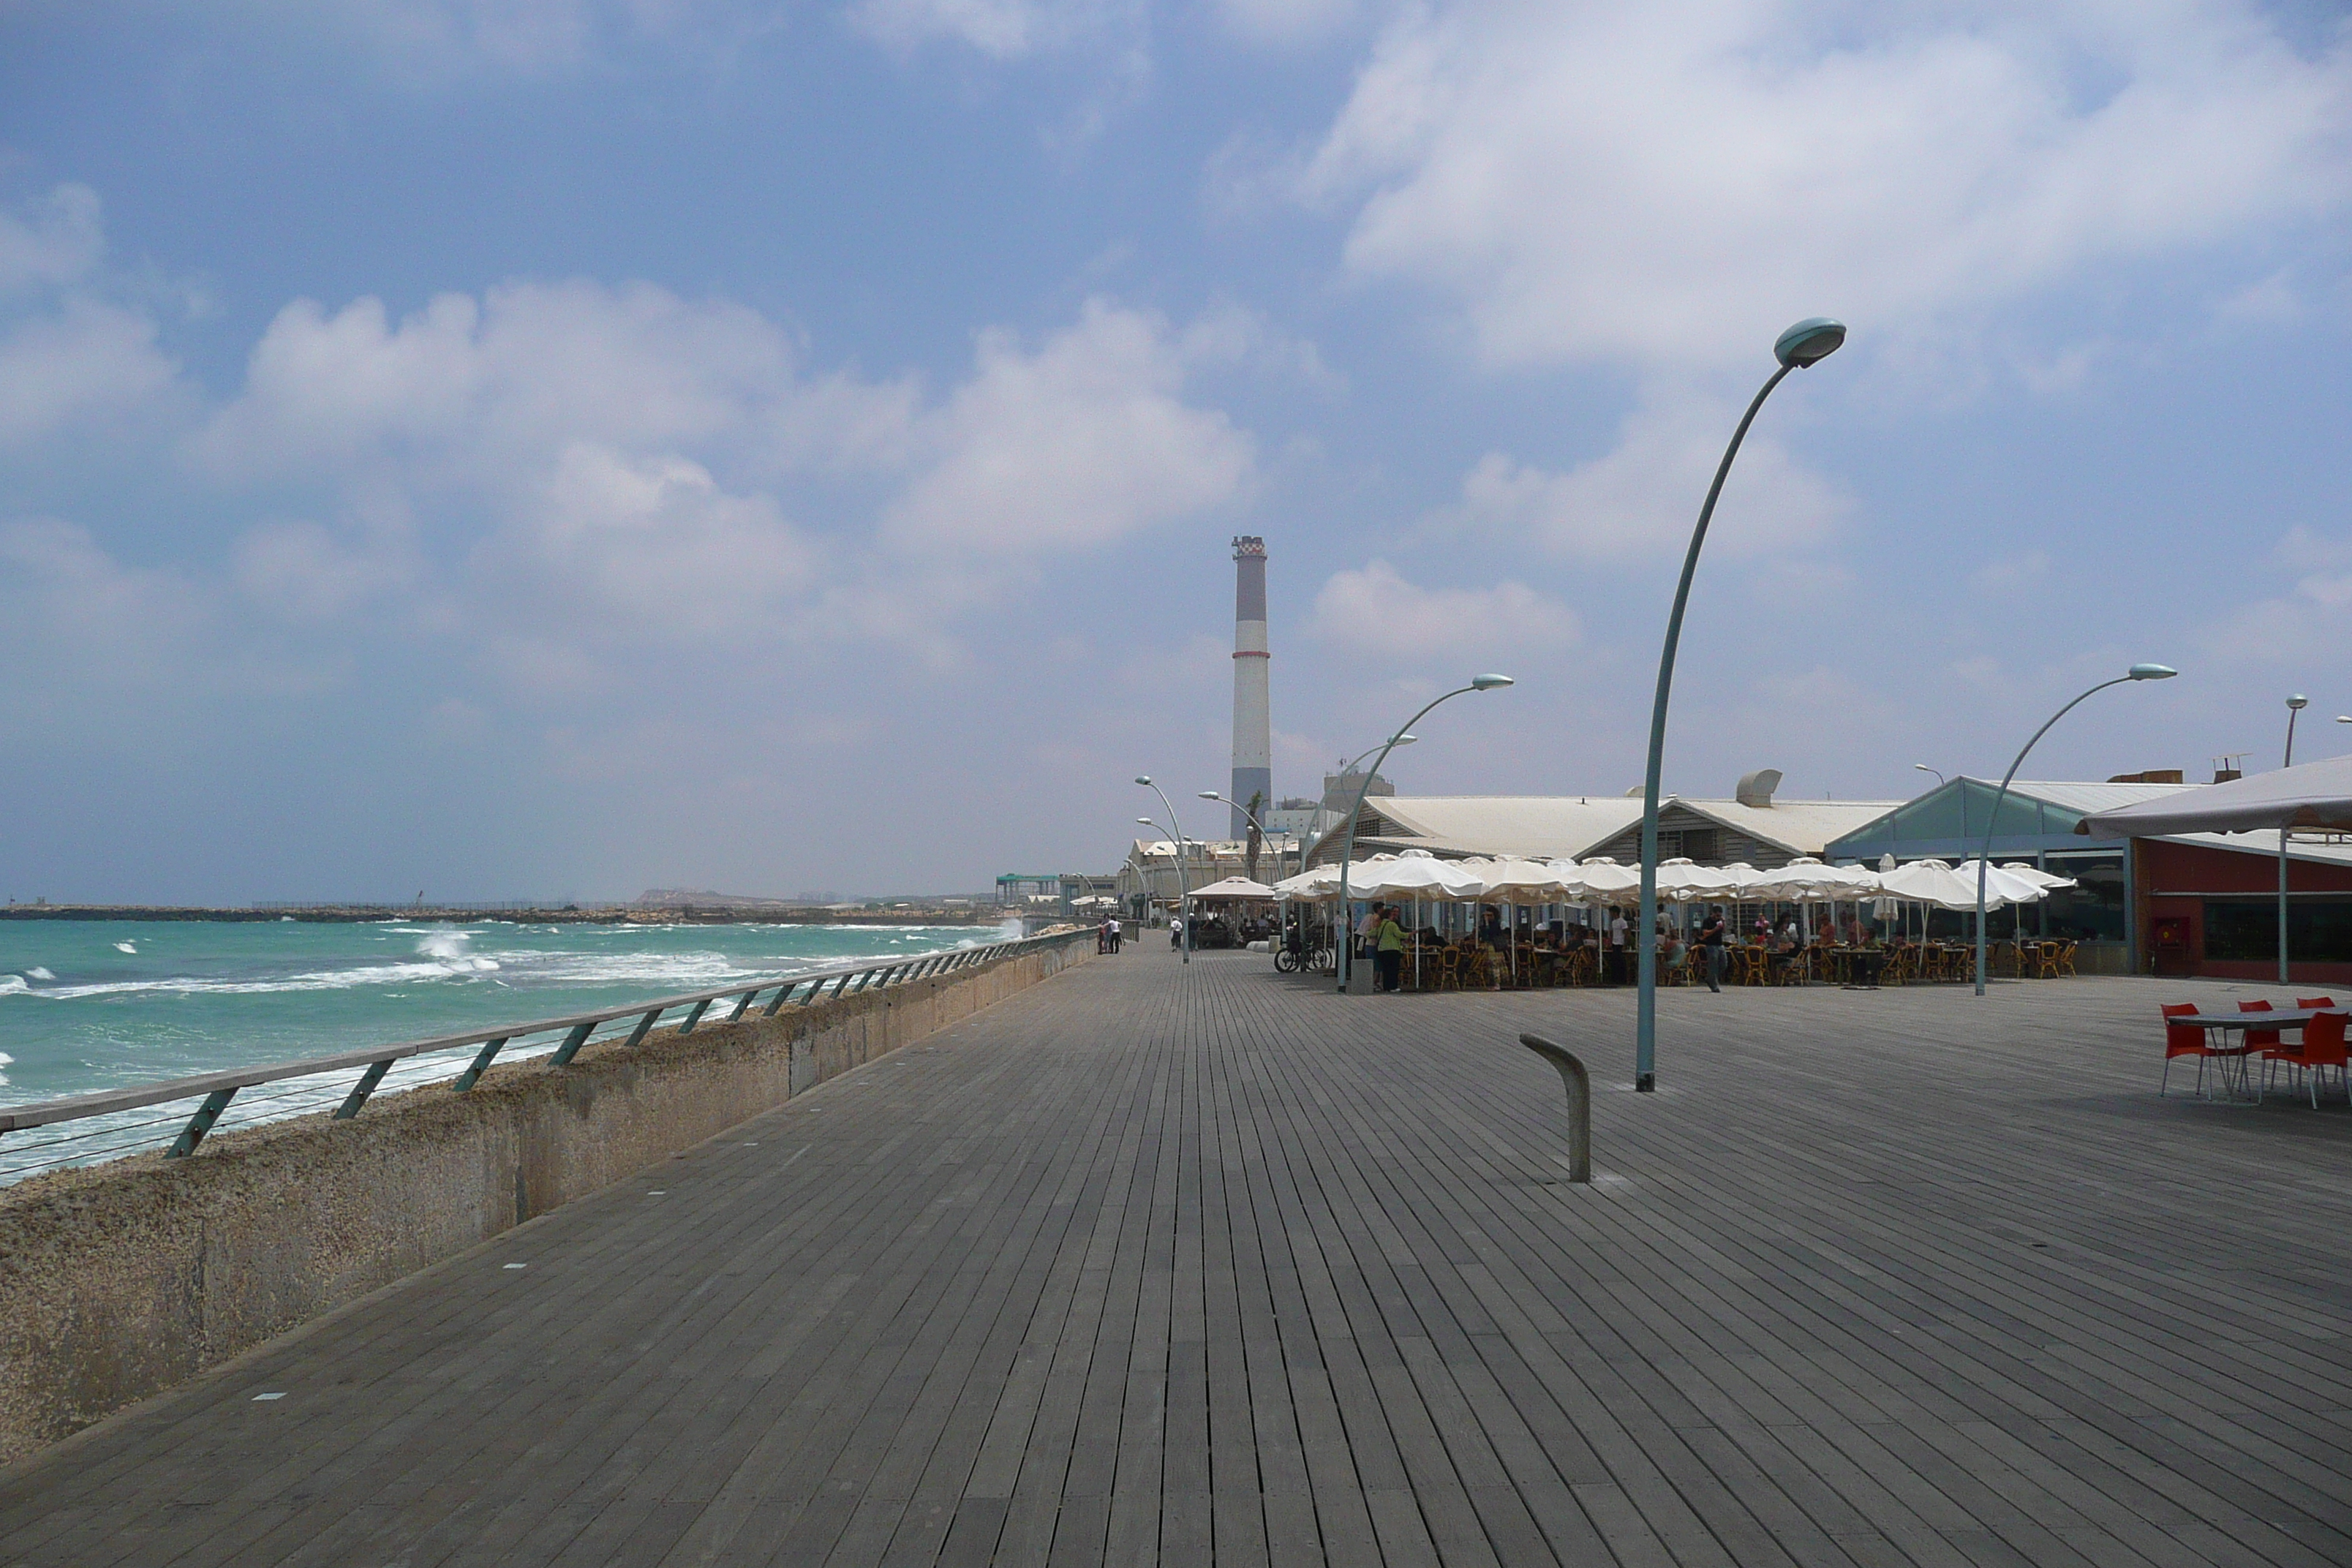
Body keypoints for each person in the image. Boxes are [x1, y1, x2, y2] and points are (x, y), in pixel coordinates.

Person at [1375, 907, 1406, 993]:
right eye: (1393, 914)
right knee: (1393, 969)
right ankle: (1393, 987)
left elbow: (1373, 933)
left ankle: (1386, 987)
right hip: (1392, 949)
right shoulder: (1392, 925)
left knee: (1386, 970)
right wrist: (1410, 934)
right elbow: (1399, 934)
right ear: (1389, 915)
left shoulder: (1381, 924)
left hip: (1382, 949)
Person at [1698, 907, 1726, 992]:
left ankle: (1710, 978)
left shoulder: (1720, 921)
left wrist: (1724, 923)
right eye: (1717, 915)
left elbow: (1724, 931)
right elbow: (1705, 933)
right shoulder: (1707, 921)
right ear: (1713, 913)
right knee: (1713, 965)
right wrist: (1715, 929)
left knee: (1724, 964)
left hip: (1720, 944)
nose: (1718, 917)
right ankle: (1714, 985)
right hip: (1711, 945)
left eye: (1720, 915)